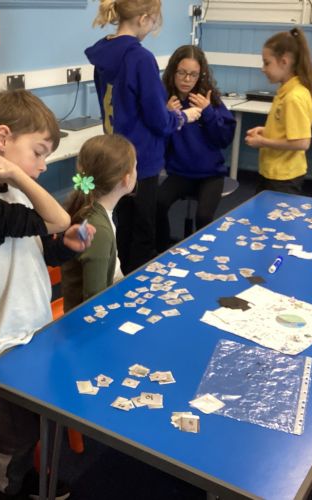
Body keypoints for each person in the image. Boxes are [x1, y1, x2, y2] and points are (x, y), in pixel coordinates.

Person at [0, 89, 94, 500]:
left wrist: (66, 247)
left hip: (34, 323)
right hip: (6, 337)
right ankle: (8, 486)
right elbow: (58, 218)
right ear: (3, 139)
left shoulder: (11, 193)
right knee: (18, 429)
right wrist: (19, 175)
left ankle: (28, 475)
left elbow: (40, 246)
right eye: (39, 153)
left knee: (36, 413)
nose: (43, 165)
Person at [85, 0, 201, 274]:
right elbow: (158, 120)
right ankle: (136, 286)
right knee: (142, 232)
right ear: (144, 18)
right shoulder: (140, 58)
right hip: (141, 162)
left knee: (123, 226)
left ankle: (120, 281)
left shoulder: (104, 53)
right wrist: (184, 116)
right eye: (154, 21)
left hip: (116, 154)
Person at [156, 45, 236, 252]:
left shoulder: (209, 101)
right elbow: (158, 143)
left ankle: (201, 256)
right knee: (158, 204)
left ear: (201, 75)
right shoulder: (166, 100)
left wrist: (208, 112)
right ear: (173, 72)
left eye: (193, 74)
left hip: (210, 175)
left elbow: (224, 139)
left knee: (204, 217)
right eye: (182, 73)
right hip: (180, 173)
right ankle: (161, 252)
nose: (187, 79)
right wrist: (167, 116)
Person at [61, 134, 137, 312]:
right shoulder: (98, 229)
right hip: (89, 320)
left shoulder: (96, 211)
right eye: (135, 166)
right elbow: (94, 301)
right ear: (126, 179)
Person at [245, 27, 312, 194]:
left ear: (284, 62)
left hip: (284, 177)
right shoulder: (285, 91)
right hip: (273, 171)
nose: (263, 68)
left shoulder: (294, 97)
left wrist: (262, 142)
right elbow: (287, 129)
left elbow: (302, 142)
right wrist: (265, 131)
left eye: (267, 63)